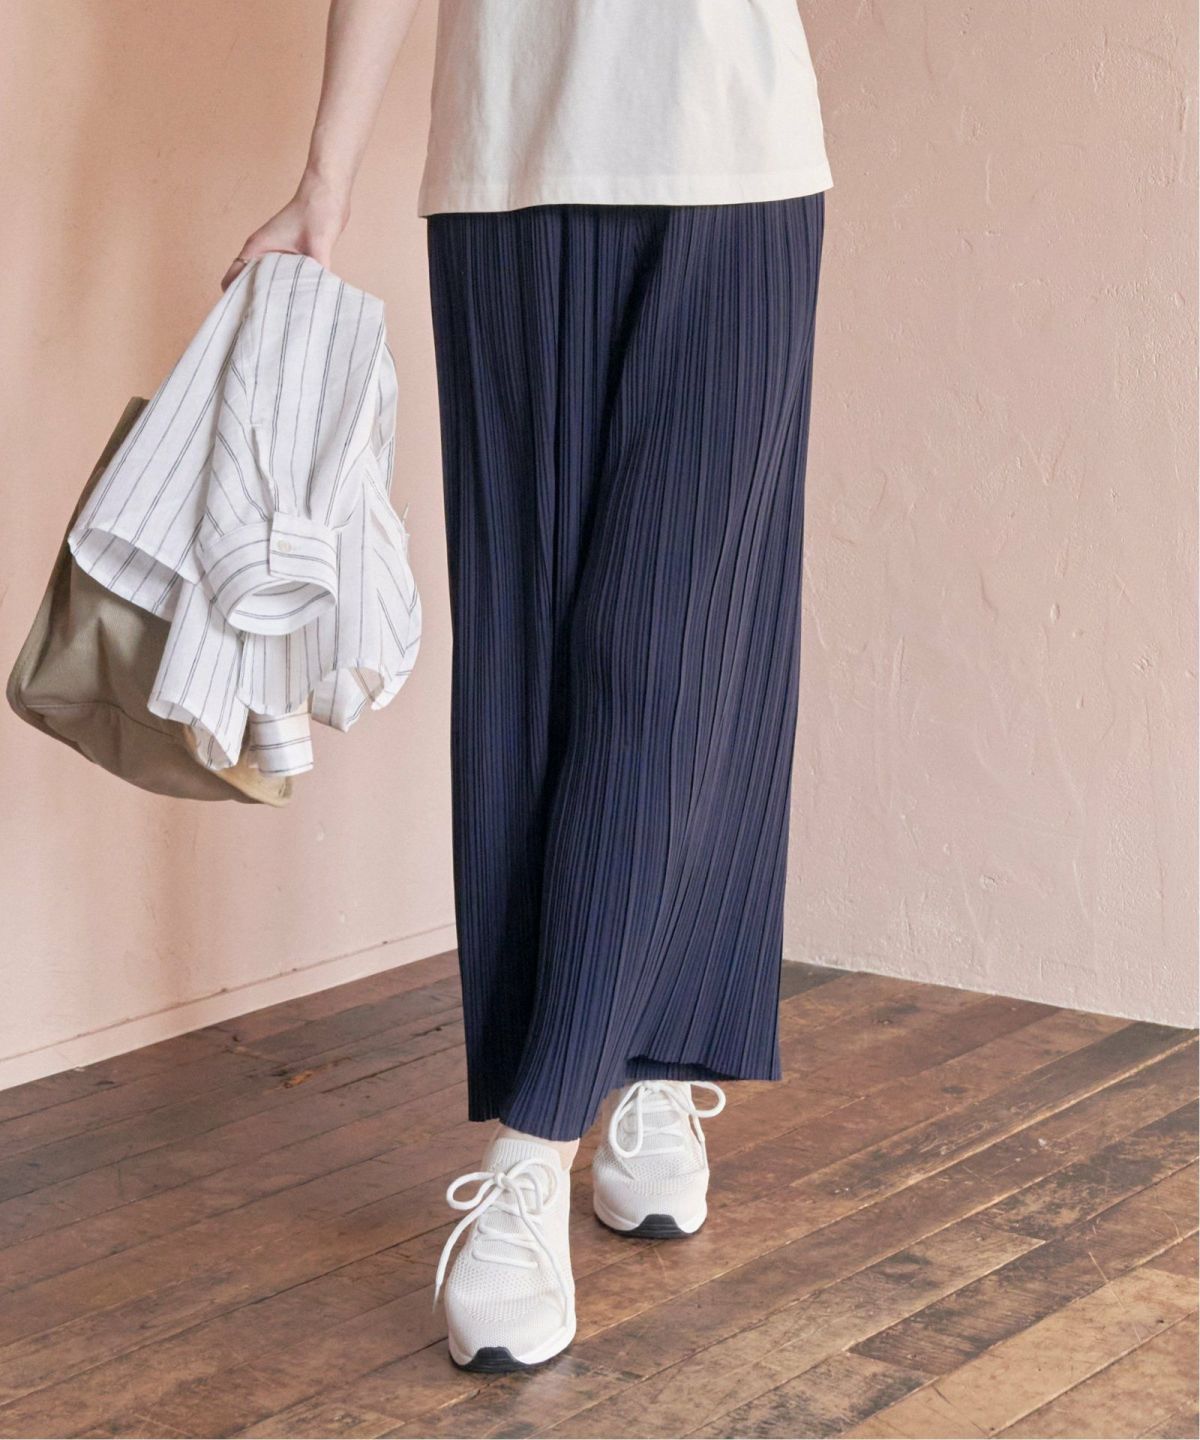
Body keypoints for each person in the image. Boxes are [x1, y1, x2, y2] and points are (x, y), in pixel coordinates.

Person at [226, 0, 831, 1373]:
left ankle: (538, 1144)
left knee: (676, 657)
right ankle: (644, 1051)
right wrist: (327, 175)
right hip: (508, 170)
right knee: (525, 681)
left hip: (737, 161)